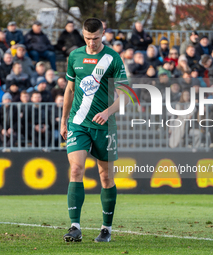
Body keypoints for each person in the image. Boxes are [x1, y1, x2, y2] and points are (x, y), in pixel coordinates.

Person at [61, 18, 129, 243]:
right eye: (87, 38)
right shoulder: (75, 56)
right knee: (76, 169)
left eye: (96, 38)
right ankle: (74, 226)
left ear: (104, 34)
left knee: (105, 177)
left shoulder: (113, 58)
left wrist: (108, 112)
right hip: (78, 123)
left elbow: (125, 96)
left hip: (104, 126)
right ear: (82, 34)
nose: (91, 43)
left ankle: (106, 228)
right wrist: (63, 120)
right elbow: (69, 90)